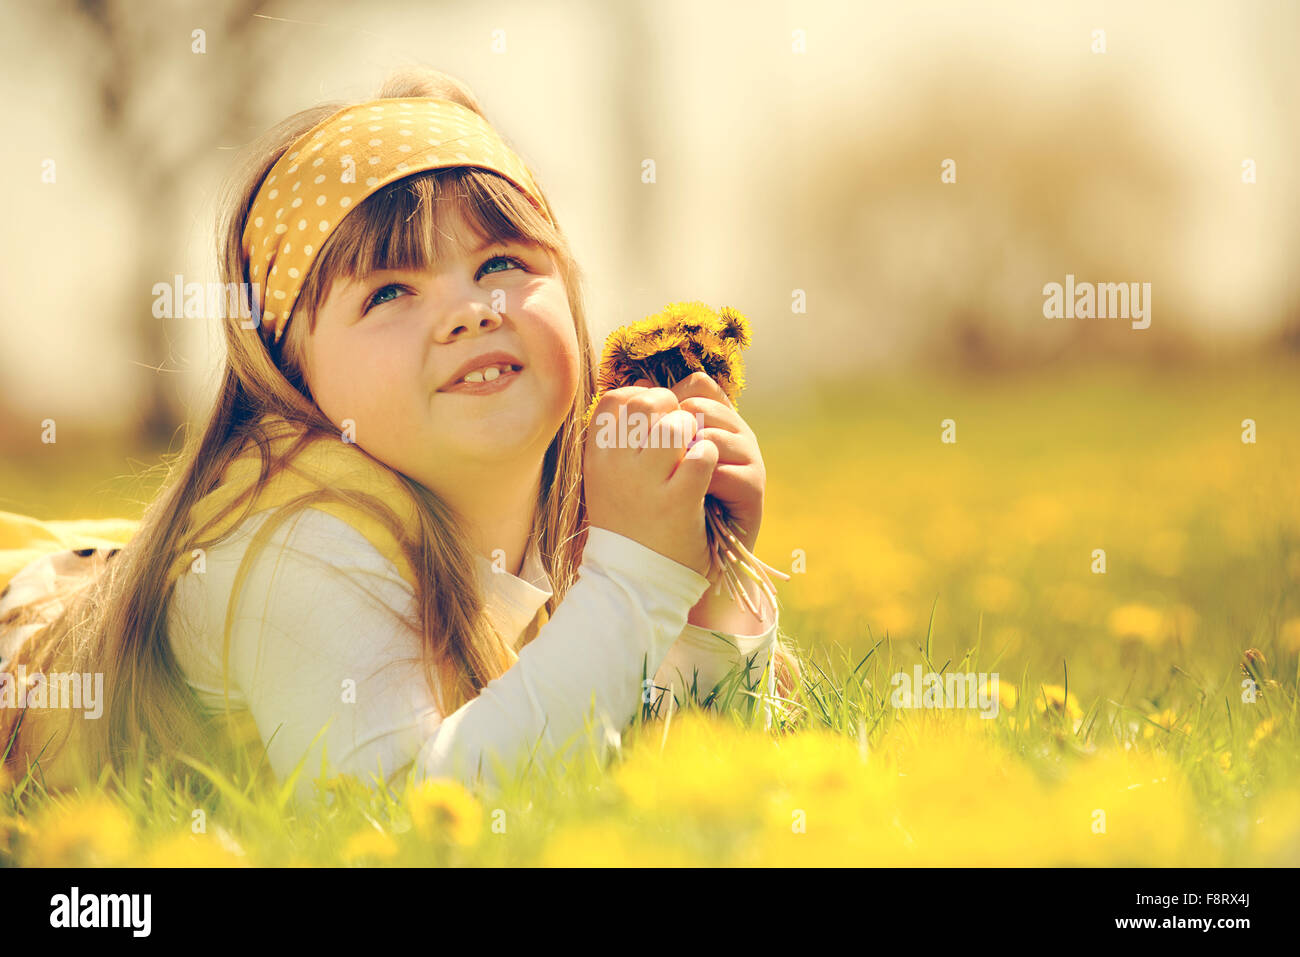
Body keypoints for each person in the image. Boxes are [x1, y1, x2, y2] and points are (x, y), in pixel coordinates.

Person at [0, 67, 800, 804]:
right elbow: (400, 815)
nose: (470, 309)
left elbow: (637, 773)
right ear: (290, 373)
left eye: (501, 264)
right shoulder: (299, 546)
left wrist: (707, 591)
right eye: (388, 291)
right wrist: (634, 581)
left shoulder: (575, 504)